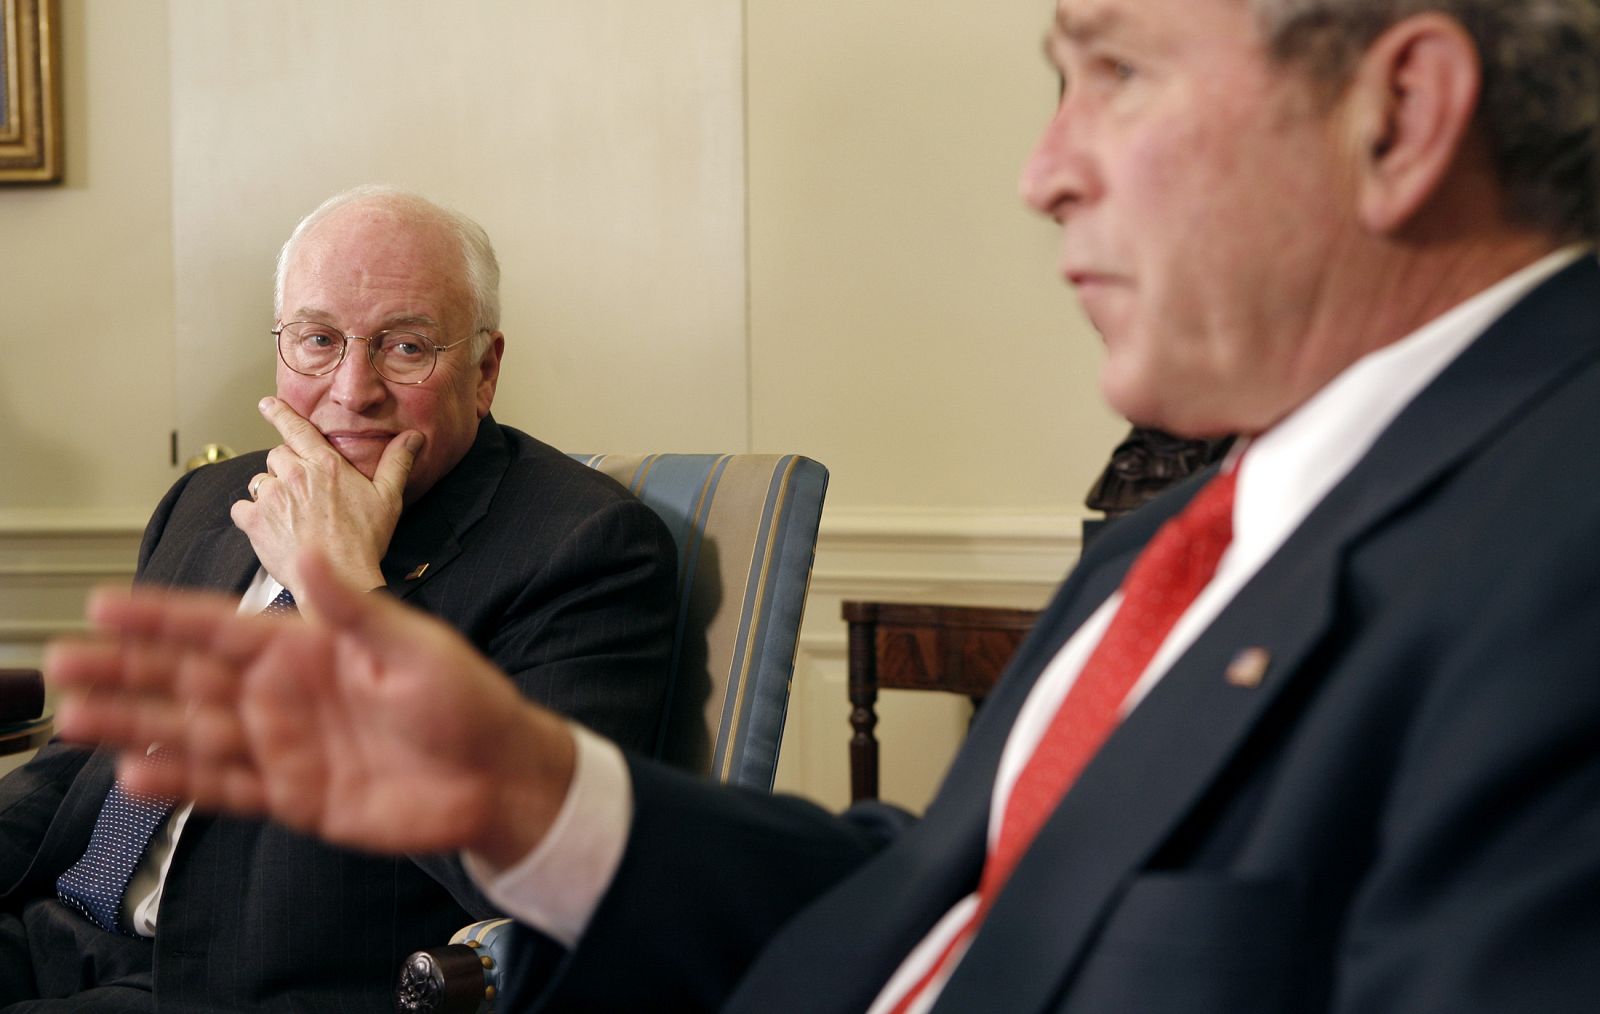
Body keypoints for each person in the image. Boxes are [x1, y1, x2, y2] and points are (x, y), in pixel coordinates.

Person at [47, 0, 1600, 1010]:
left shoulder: (1560, 560)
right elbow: (948, 908)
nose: (1043, 170)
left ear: (1399, 114)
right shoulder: (1175, 536)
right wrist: (535, 796)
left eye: (1112, 71)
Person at [1, 186, 679, 1011]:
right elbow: (87, 757)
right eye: (319, 340)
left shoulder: (584, 548)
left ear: (486, 368)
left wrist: (346, 595)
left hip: (237, 987)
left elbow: (535, 854)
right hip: (54, 934)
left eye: (405, 347)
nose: (354, 391)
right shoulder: (211, 499)